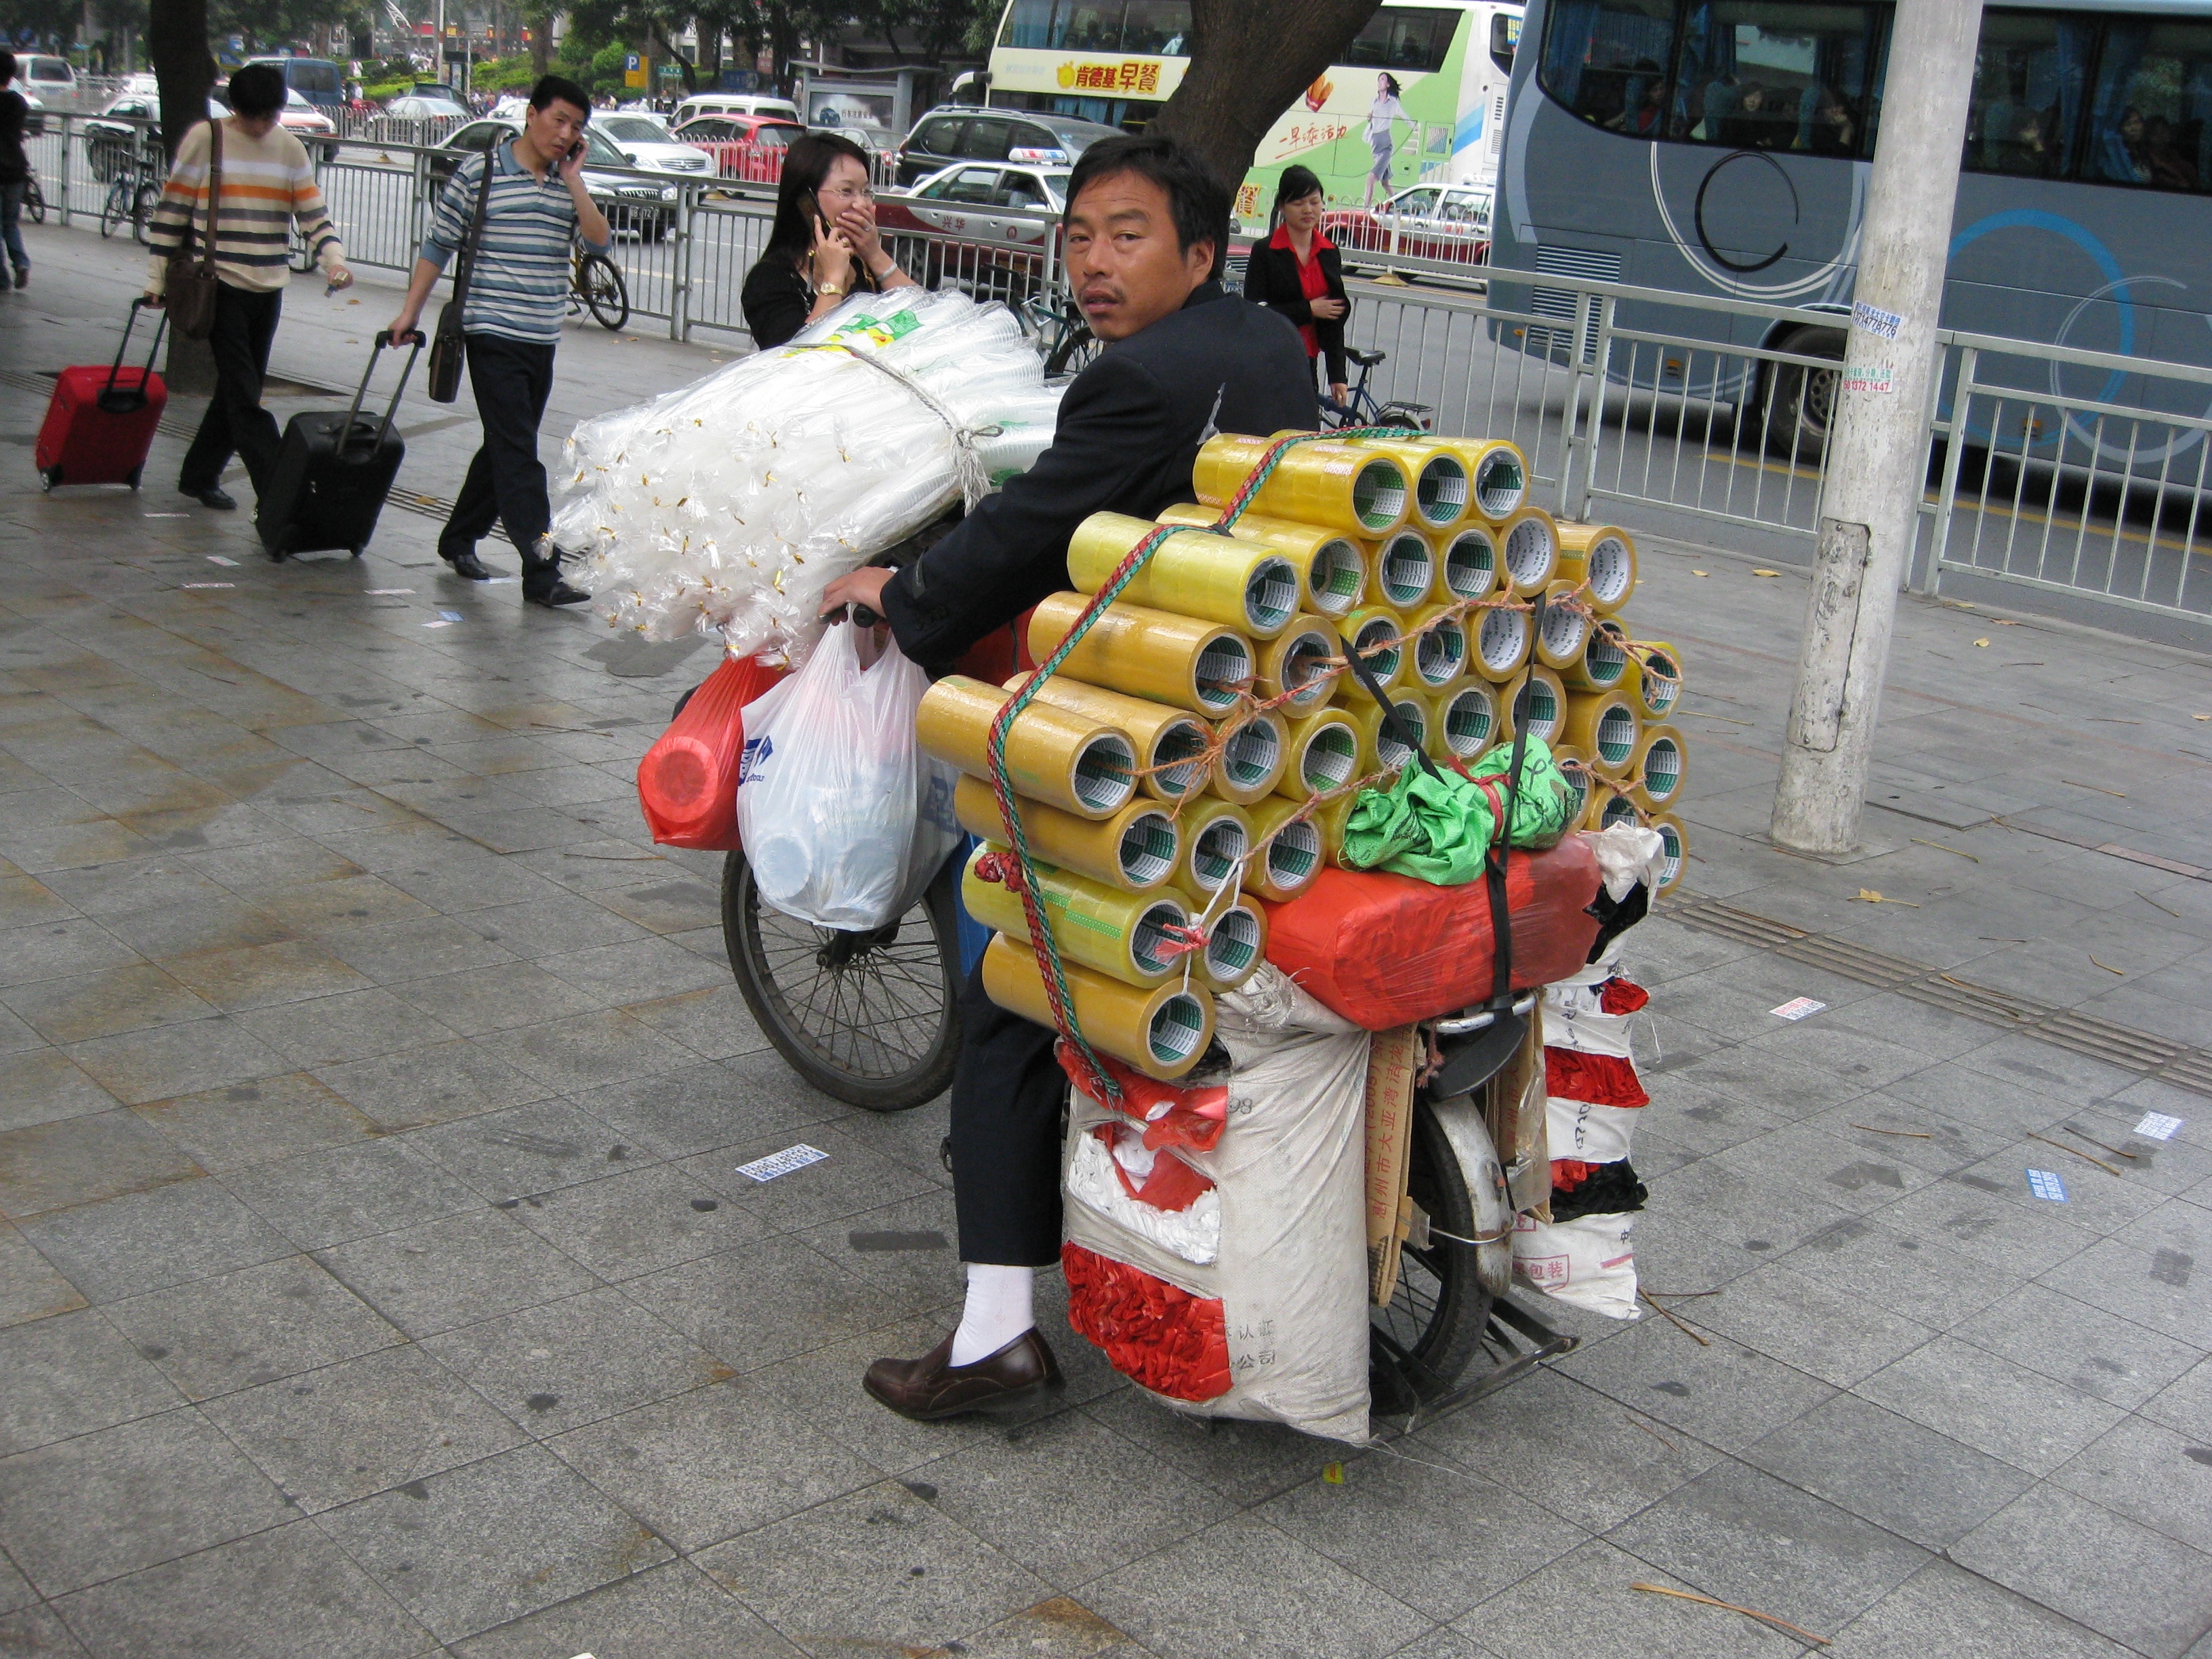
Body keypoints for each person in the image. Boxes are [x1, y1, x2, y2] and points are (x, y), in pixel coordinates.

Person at [816, 133, 1317, 1422]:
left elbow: (1030, 530)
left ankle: (994, 1337)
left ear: (1197, 249)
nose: (1092, 262)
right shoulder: (1264, 340)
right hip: (1259, 711)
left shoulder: (1135, 381)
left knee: (1005, 990)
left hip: (1136, 740)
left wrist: (903, 588)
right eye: (1080, 235)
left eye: (1127, 236)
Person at [386, 75, 610, 607]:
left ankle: (458, 536)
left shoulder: (565, 182)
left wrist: (575, 180)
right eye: (558, 120)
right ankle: (542, 570)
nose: (565, 133)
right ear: (531, 115)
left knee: (503, 446)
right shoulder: (480, 172)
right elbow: (438, 246)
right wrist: (409, 313)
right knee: (519, 454)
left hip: (541, 335)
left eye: (576, 127)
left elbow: (599, 243)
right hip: (490, 331)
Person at [142, 62, 353, 510]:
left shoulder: (290, 149)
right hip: (220, 285)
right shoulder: (208, 138)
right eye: (253, 116)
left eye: (270, 116)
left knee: (240, 389)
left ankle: (199, 475)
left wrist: (334, 261)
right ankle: (281, 494)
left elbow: (312, 213)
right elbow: (172, 210)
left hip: (269, 285)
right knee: (244, 395)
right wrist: (156, 278)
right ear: (234, 106)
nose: (261, 127)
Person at [740, 131, 915, 349]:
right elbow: (800, 355)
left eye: (866, 191)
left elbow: (922, 313)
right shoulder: (769, 280)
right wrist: (833, 280)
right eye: (846, 191)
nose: (860, 204)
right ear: (807, 202)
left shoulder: (864, 265)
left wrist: (874, 254)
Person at [1243, 164, 1349, 406]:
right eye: (1298, 203)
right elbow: (1254, 313)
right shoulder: (1266, 251)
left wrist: (1337, 376)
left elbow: (1334, 315)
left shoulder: (1329, 252)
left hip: (1307, 360)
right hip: (1269, 359)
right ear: (1282, 206)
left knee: (1303, 434)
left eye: (1314, 202)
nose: (1308, 210)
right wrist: (1308, 309)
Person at [0, 52, 29, 291]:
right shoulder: (19, 103)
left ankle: (1, 279)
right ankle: (20, 262)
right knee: (10, 223)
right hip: (15, 168)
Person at [1364, 72, 1408, 208]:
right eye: (1379, 80)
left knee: (1371, 178)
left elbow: (1403, 115)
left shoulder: (1392, 102)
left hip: (1385, 144)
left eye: (1383, 80)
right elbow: (1371, 120)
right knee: (1385, 183)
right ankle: (1398, 206)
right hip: (1375, 143)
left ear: (1388, 84)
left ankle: (1365, 209)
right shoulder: (1374, 101)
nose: (1380, 82)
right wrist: (1370, 118)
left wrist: (1414, 126)